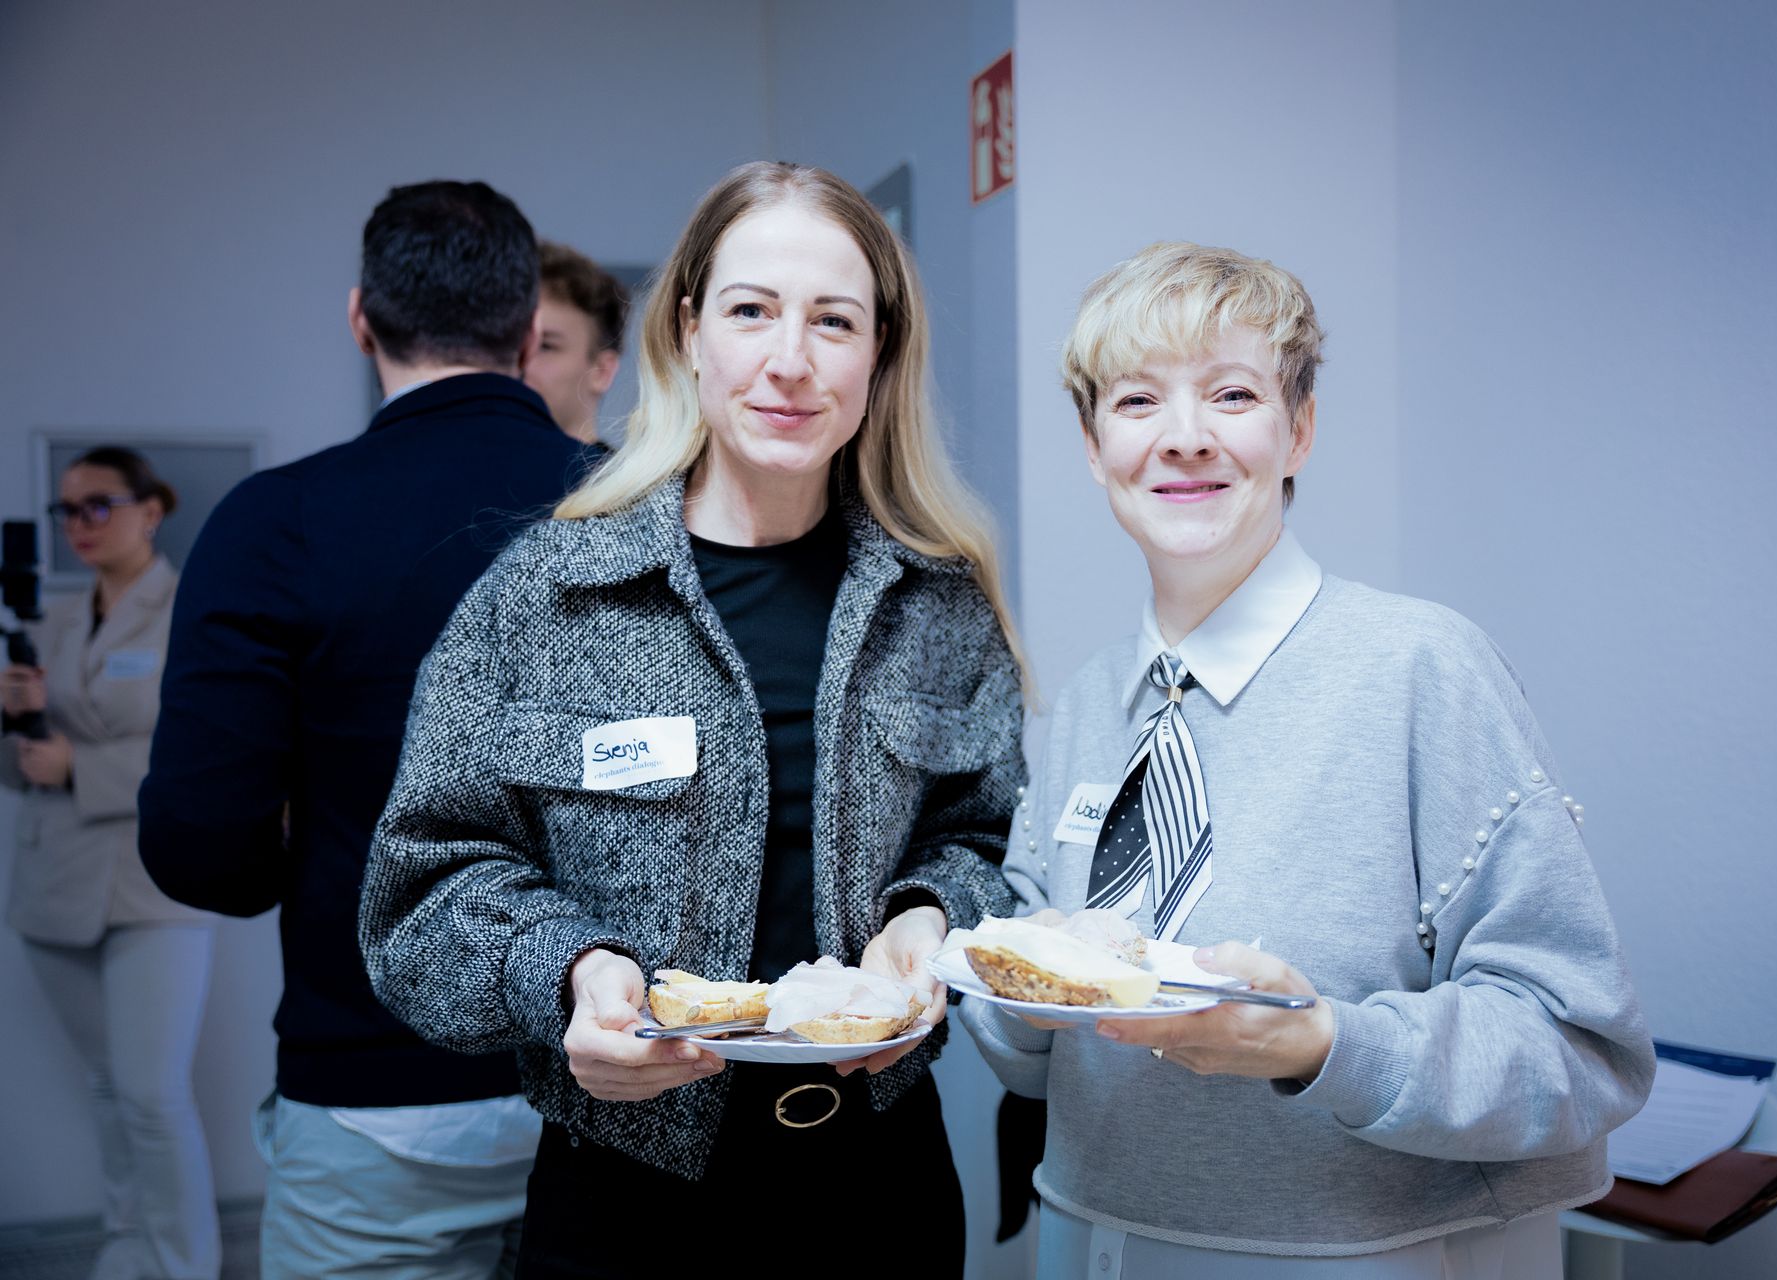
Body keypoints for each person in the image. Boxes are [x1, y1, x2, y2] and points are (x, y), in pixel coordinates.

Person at [359, 160, 1025, 1278]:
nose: (790, 360)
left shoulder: (941, 600)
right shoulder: (551, 592)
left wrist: (929, 915)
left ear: (880, 353)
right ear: (688, 332)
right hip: (628, 1201)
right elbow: (421, 885)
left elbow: (987, 834)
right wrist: (570, 971)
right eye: (752, 310)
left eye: (834, 320)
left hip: (882, 1190)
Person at [960, 242, 1656, 1277]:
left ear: (1300, 428)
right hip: (1086, 1236)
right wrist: (1013, 985)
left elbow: (1579, 1051)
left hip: (1370, 1253)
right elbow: (1028, 1054)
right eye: (1139, 401)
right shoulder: (1084, 709)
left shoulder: (1424, 669)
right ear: (1093, 442)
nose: (1184, 438)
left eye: (1232, 394)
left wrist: (1323, 1044)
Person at [138, 181, 590, 1278]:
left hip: (375, 1088)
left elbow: (203, 849)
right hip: (618, 1079)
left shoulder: (276, 523)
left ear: (360, 320)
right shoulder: (633, 510)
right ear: (532, 329)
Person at [1, 447, 219, 1280]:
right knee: (107, 1088)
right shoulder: (50, 621)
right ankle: (130, 1248)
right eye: (67, 511)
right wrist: (12, 722)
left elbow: (199, 753)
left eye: (99, 505)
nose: (79, 525)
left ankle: (186, 1264)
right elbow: (22, 771)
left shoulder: (188, 609)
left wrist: (80, 767)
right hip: (54, 882)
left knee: (153, 1095)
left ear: (150, 510)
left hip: (149, 885)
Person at [521, 240, 630, 447]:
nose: (519, 362)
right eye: (510, 344)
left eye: (545, 346)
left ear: (602, 371)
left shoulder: (637, 480)